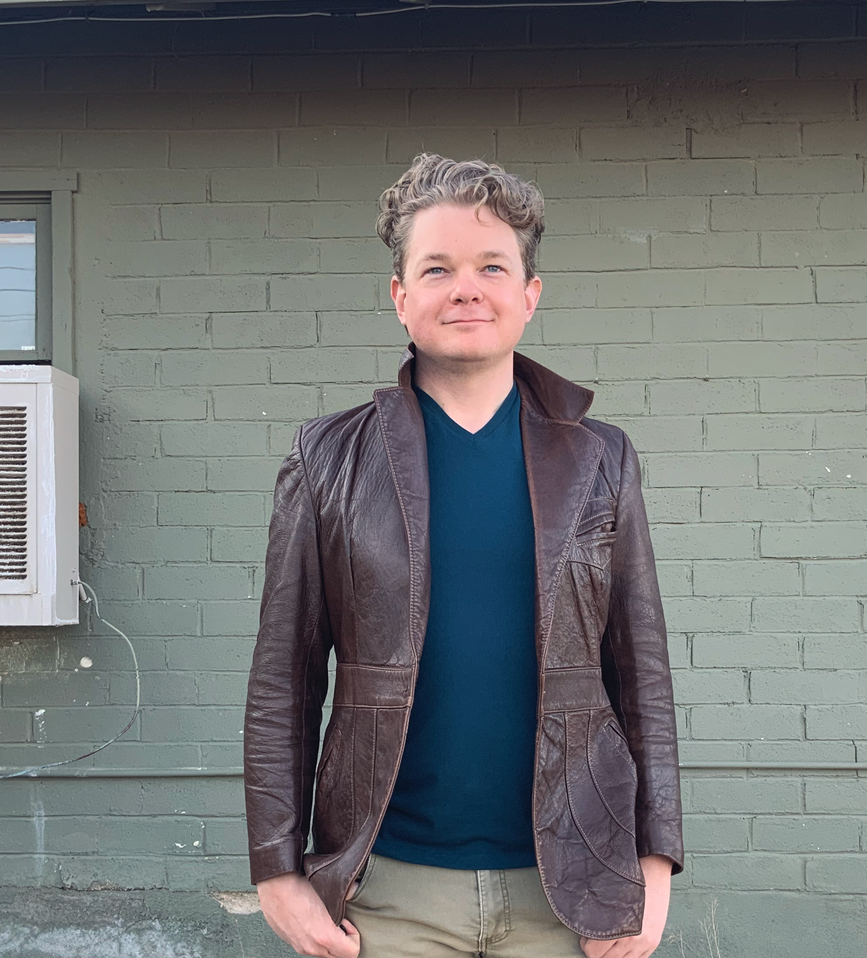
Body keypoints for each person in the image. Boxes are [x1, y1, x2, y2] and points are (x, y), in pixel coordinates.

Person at [244, 153, 683, 958]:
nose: (466, 288)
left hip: (572, 890)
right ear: (400, 297)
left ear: (530, 294)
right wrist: (276, 872)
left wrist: (654, 864)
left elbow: (641, 672)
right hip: (384, 892)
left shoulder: (602, 460)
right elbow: (284, 678)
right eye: (437, 268)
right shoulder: (327, 458)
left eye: (492, 266)